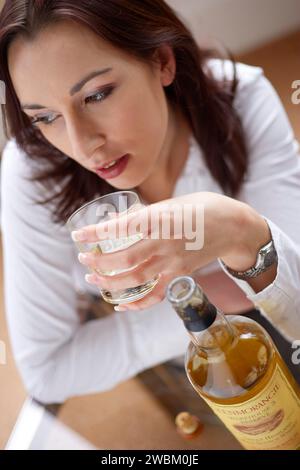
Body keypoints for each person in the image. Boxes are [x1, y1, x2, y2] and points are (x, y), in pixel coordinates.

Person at [0, 0, 299, 405]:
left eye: (98, 94)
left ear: (161, 61)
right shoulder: (30, 172)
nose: (83, 144)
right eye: (45, 117)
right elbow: (47, 371)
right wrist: (206, 298)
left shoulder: (241, 97)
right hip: (172, 361)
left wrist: (235, 227)